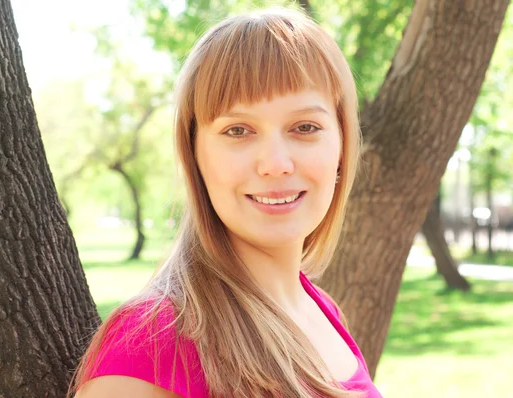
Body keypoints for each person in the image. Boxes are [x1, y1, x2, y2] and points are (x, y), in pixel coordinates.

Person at [72, 5, 382, 398]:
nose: (276, 164)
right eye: (238, 130)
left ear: (341, 146)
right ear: (194, 155)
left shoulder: (324, 310)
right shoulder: (150, 344)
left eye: (305, 127)